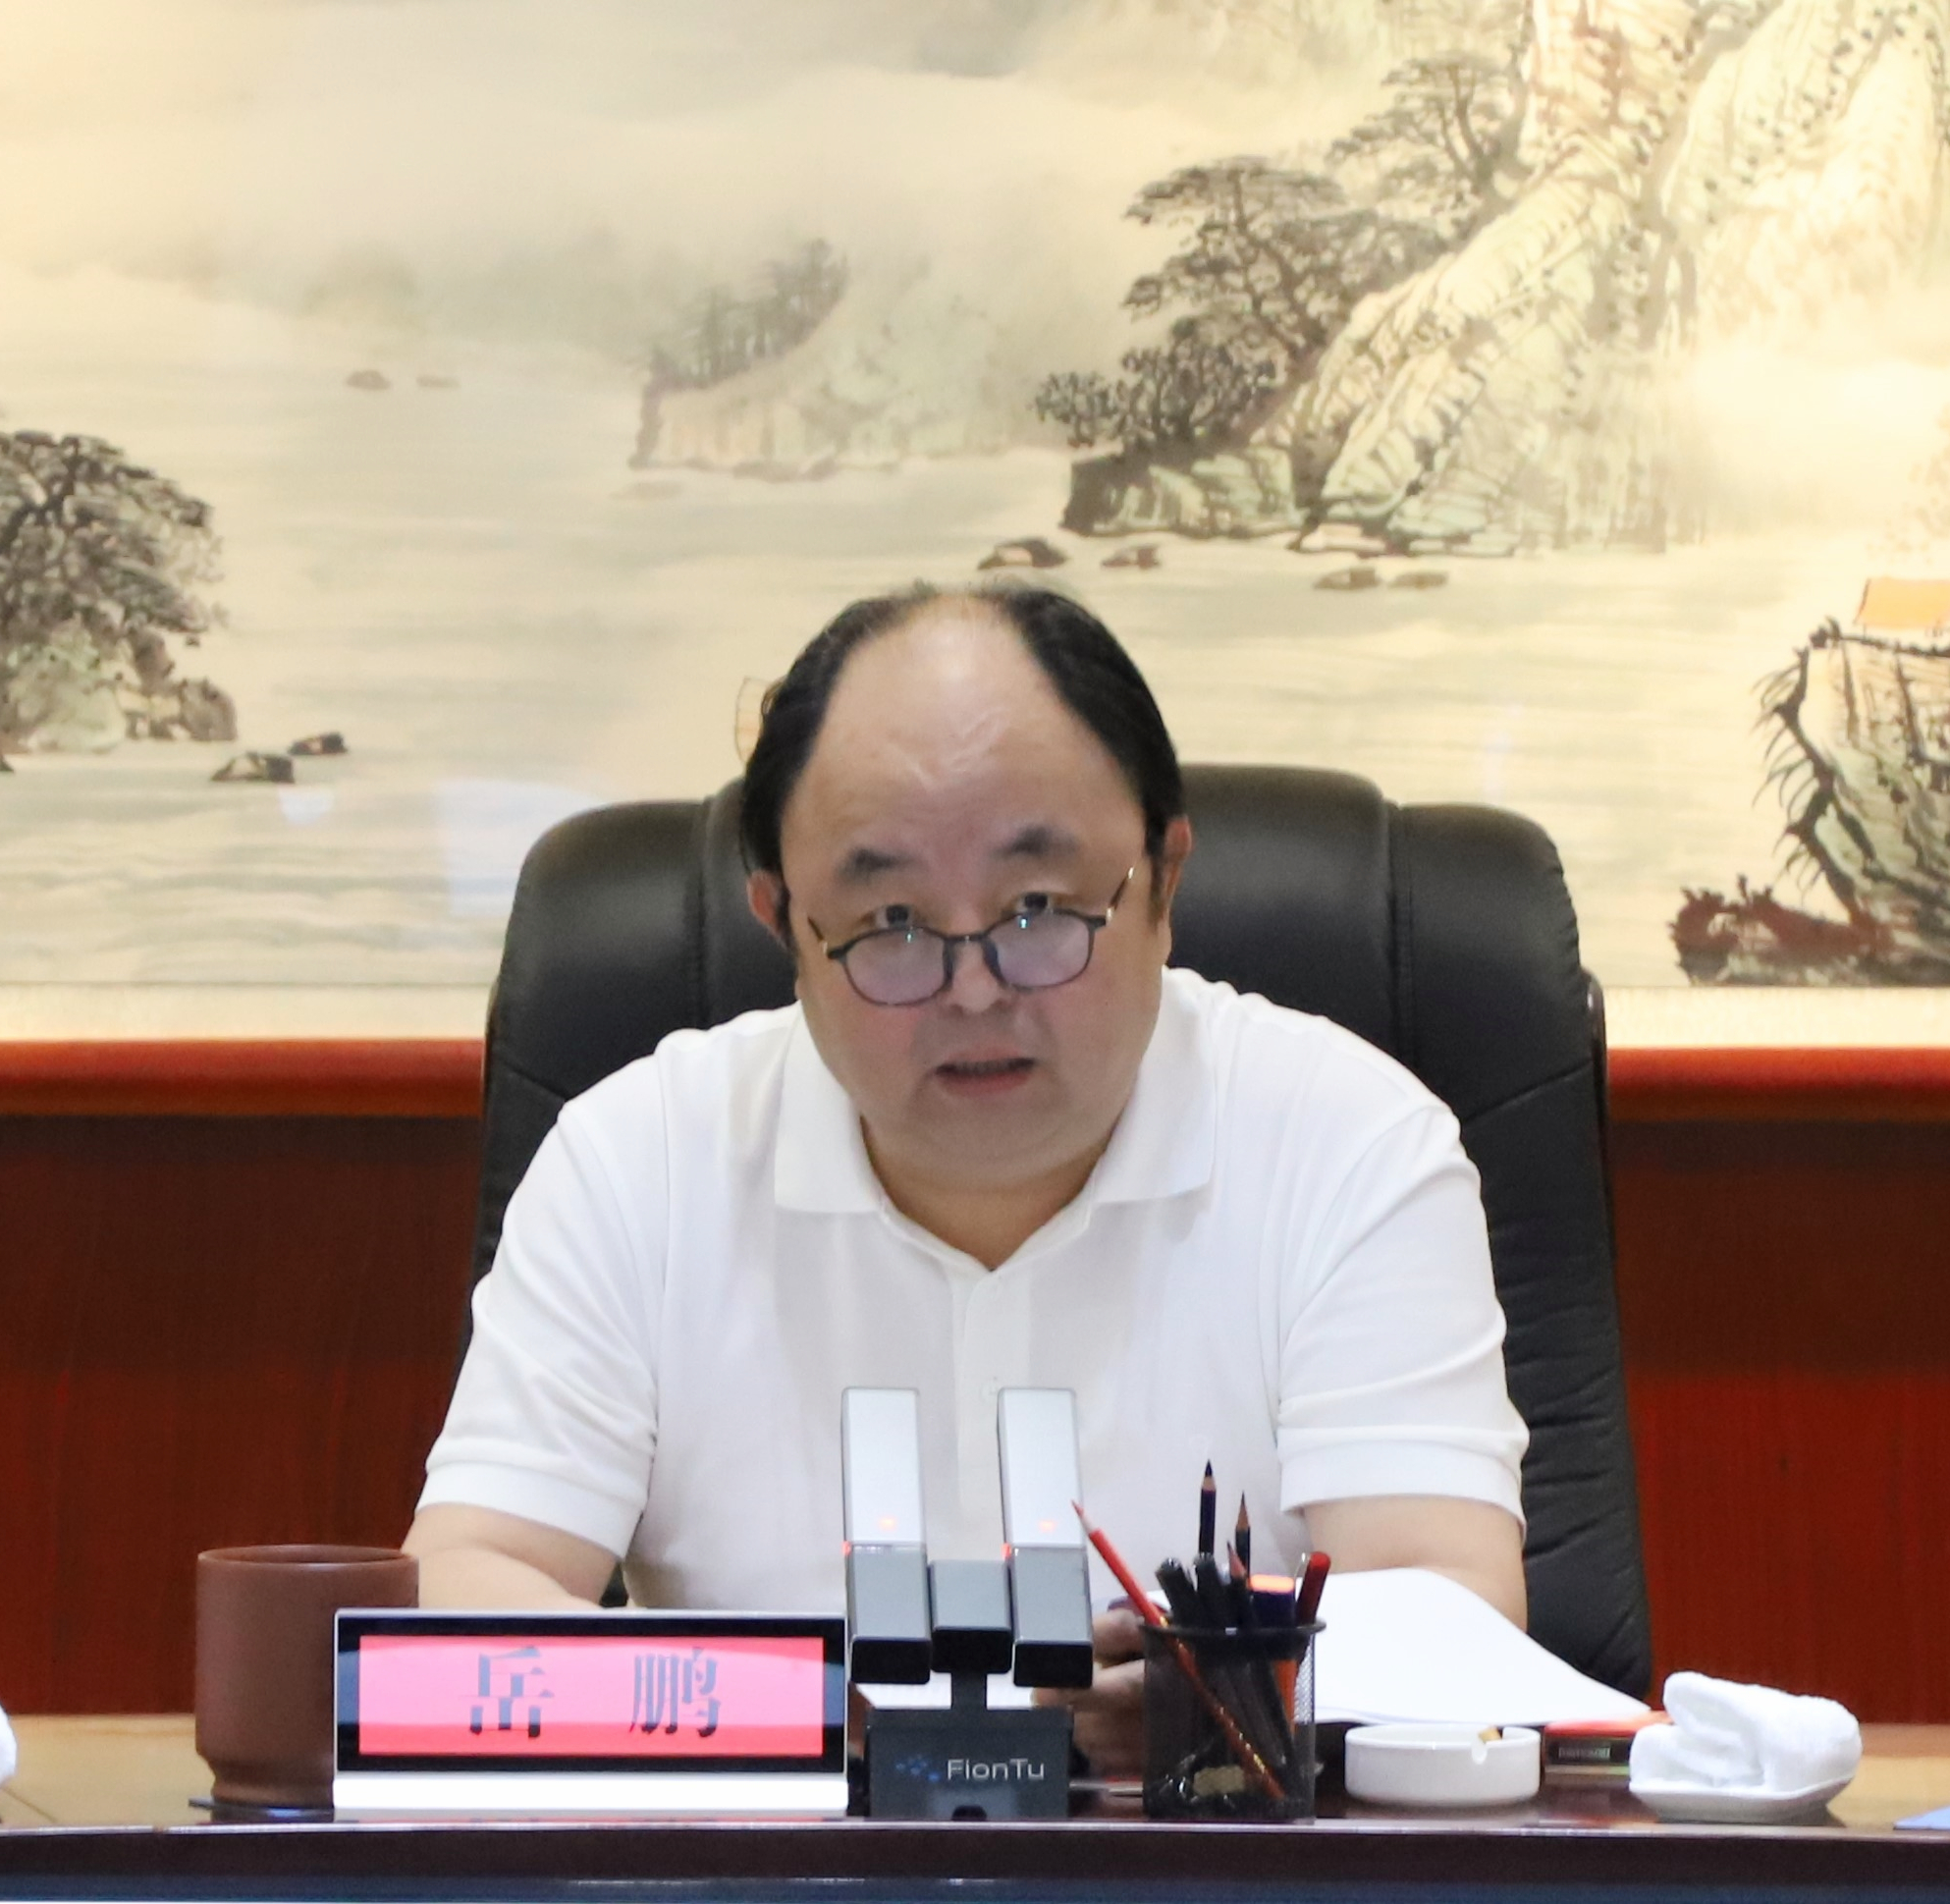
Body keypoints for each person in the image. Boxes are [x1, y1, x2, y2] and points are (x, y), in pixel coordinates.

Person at [405, 581, 1529, 1770]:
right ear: (783, 923)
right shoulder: (639, 1161)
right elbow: (462, 1592)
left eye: (1038, 908)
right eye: (890, 920)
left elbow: (1447, 1610)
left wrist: (1198, 1701)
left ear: (1164, 878)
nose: (975, 989)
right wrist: (811, 1713)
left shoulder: (1346, 1144)